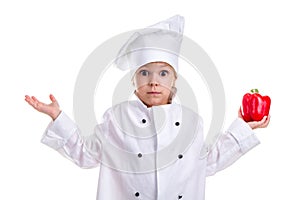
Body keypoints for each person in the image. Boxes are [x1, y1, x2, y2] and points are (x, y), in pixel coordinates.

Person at [25, 15, 270, 200]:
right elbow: (86, 155)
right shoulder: (116, 118)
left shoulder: (192, 122)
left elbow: (209, 163)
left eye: (163, 73)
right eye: (144, 73)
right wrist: (57, 116)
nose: (154, 81)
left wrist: (243, 129)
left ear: (174, 80)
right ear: (134, 81)